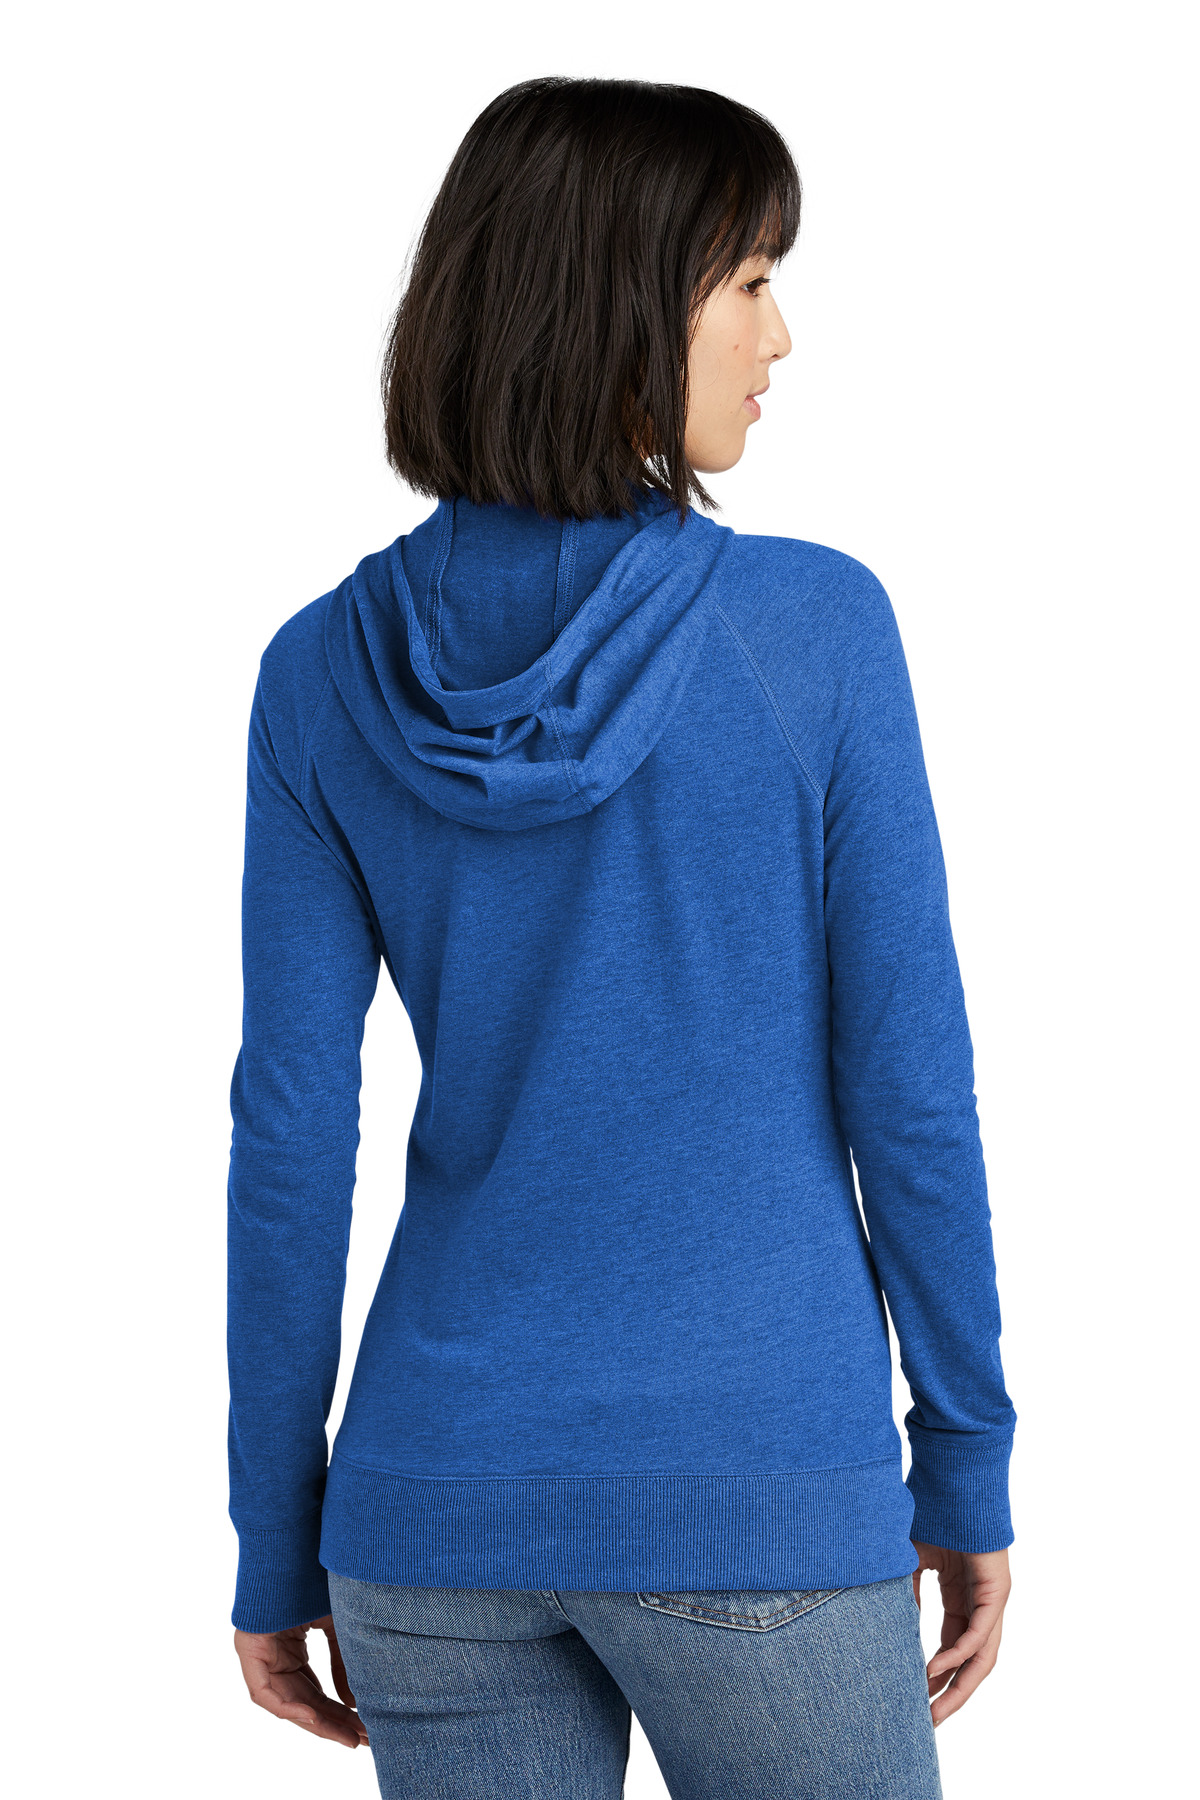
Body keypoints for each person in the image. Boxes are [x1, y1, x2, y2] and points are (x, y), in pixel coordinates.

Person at [227, 76, 1016, 1799]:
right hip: (757, 1489)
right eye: (750, 282)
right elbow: (910, 1088)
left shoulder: (318, 673)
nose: (780, 336)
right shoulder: (814, 629)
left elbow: (287, 1135)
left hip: (427, 1516)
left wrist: (273, 1534)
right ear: (623, 302)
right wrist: (964, 1455)